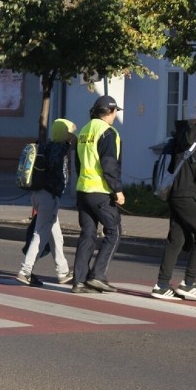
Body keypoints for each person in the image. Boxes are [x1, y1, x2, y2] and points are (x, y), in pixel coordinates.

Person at [151, 93, 196, 302]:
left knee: (176, 239)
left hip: (178, 194)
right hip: (184, 194)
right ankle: (189, 283)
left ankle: (162, 284)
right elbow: (188, 138)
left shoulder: (186, 133)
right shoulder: (188, 133)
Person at [71, 95, 125, 294]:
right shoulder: (108, 132)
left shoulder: (85, 131)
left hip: (83, 190)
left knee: (88, 234)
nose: (115, 115)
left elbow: (78, 162)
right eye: (115, 112)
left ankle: (78, 281)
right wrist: (117, 189)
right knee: (114, 232)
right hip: (100, 191)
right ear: (110, 112)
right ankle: (97, 276)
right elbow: (109, 163)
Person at [15, 118, 77, 287]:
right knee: (40, 235)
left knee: (56, 235)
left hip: (37, 195)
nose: (72, 137)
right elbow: (57, 172)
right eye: (70, 133)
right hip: (49, 197)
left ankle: (63, 271)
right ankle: (25, 271)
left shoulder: (45, 146)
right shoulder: (59, 149)